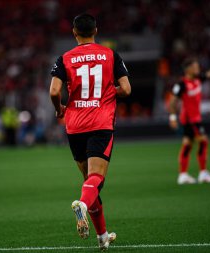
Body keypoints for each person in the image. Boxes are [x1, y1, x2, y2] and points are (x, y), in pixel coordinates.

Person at [49, 13, 131, 250]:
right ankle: (82, 206)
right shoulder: (110, 55)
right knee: (96, 180)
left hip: (74, 125)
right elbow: (126, 89)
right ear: (96, 30)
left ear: (74, 33)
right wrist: (106, 92)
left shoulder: (64, 58)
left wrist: (59, 109)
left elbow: (54, 92)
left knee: (89, 182)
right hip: (100, 123)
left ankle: (102, 237)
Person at [169, 57, 210, 185]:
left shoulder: (199, 78)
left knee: (188, 144)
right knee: (204, 141)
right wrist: (172, 117)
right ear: (188, 69)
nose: (198, 68)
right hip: (191, 119)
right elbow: (172, 101)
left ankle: (183, 175)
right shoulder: (181, 84)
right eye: (195, 67)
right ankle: (203, 173)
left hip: (194, 118)